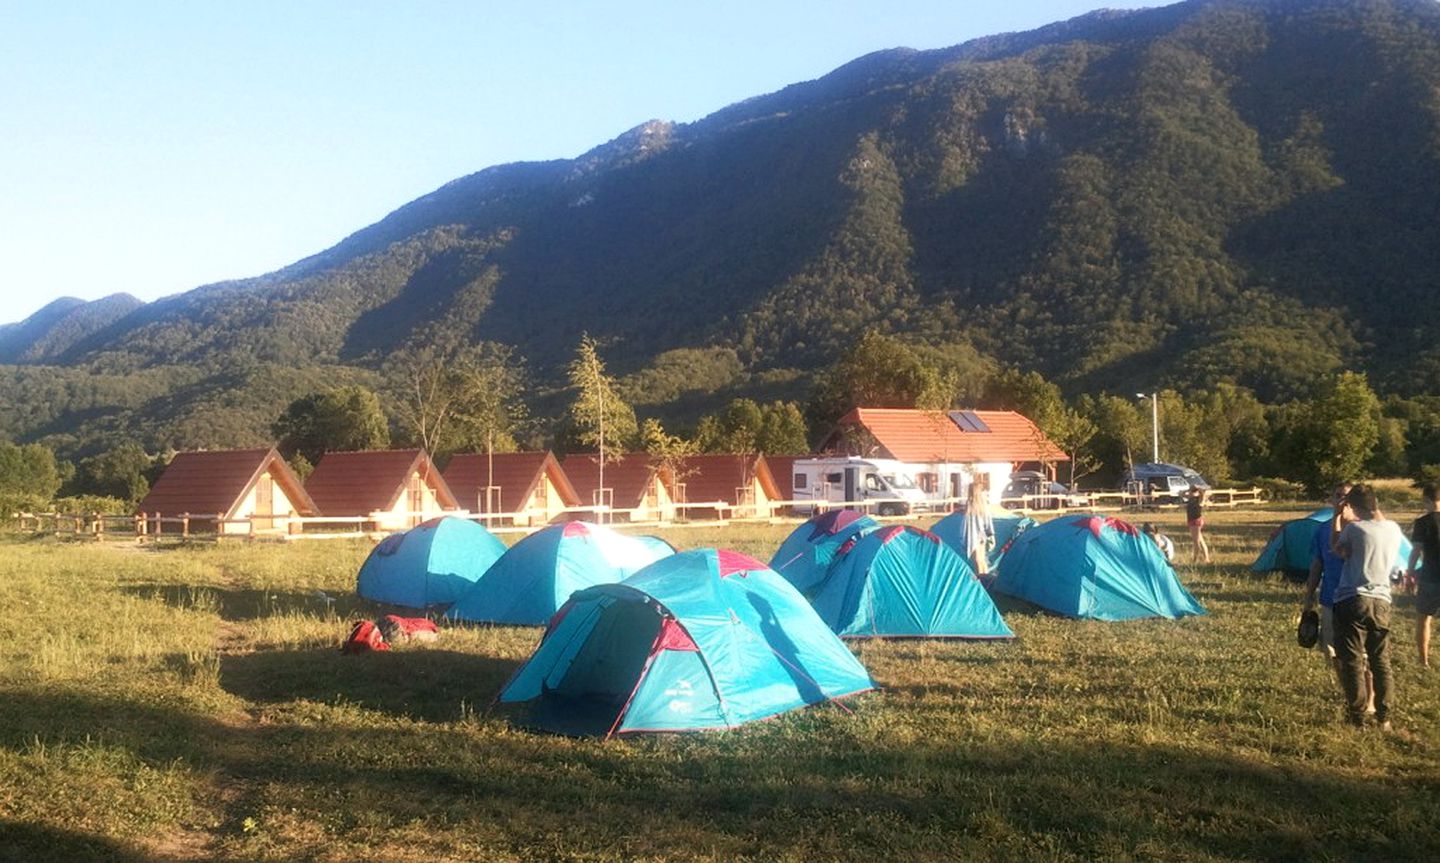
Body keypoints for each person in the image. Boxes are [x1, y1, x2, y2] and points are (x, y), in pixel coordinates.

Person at [1330, 483, 1404, 730]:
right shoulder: (1394, 529)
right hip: (1382, 601)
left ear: (1355, 506)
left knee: (1352, 660)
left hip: (1353, 598)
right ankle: (1384, 717)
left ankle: (1358, 715)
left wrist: (1336, 518)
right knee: (1380, 660)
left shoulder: (1356, 529)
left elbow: (1336, 549)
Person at [1303, 483, 1372, 710]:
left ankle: (1369, 701)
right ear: (1332, 499)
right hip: (1330, 599)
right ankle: (1351, 696)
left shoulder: (1365, 529)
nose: (1343, 501)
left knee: (1363, 655)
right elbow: (1317, 563)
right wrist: (1309, 594)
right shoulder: (1322, 530)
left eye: (1347, 497)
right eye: (1339, 496)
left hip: (1359, 600)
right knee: (1334, 652)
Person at [1405, 482, 1440, 669]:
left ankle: (1423, 660)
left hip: (1430, 576)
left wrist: (1410, 572)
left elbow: (1416, 551)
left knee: (1424, 619)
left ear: (1426, 500)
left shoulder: (1422, 523)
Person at [963, 474, 995, 576]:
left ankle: (982, 579)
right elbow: (988, 522)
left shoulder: (971, 506)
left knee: (978, 559)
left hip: (974, 536)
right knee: (981, 559)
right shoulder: (982, 505)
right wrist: (990, 534)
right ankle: (985, 578)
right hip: (981, 536)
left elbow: (966, 525)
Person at [1185, 486, 1211, 563]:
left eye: (1194, 492)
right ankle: (1206, 558)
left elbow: (1203, 493)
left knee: (1196, 542)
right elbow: (1181, 494)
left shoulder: (1200, 500)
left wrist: (1198, 488)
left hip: (1196, 521)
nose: (1192, 493)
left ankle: (1195, 559)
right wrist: (1189, 489)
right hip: (1191, 521)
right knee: (1200, 540)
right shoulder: (1190, 498)